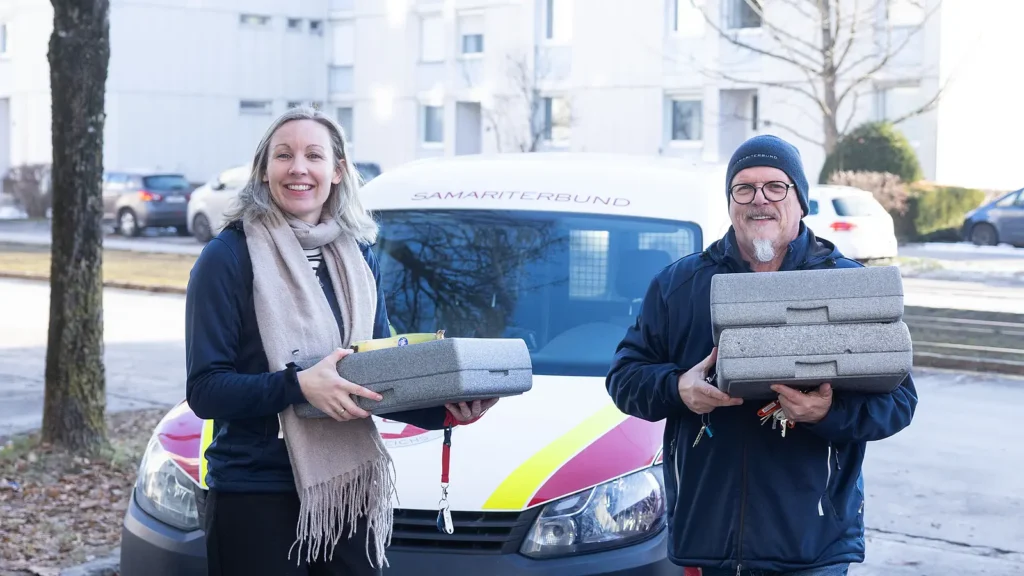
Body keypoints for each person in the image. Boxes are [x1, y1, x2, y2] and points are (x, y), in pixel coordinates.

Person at [185, 106, 497, 576]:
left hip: (345, 490)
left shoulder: (358, 256)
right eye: (283, 155)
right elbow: (206, 390)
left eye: (314, 155)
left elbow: (373, 377)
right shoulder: (227, 256)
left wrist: (443, 411)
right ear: (264, 170)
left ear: (337, 171)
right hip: (254, 490)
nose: (298, 168)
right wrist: (299, 386)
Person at [605, 134, 918, 576]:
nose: (759, 200)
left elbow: (900, 402)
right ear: (730, 201)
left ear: (800, 200)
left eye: (775, 186)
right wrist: (679, 389)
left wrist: (827, 412)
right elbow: (624, 378)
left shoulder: (851, 287)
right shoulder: (680, 286)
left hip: (812, 545)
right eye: (744, 188)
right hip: (708, 542)